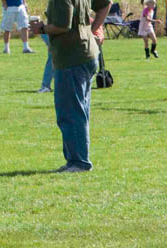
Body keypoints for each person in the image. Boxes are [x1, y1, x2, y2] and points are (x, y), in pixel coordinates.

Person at [29, 0, 109, 172]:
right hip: (87, 52)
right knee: (80, 111)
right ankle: (75, 160)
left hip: (71, 57)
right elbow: (105, 4)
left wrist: (41, 29)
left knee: (70, 112)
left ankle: (79, 162)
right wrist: (93, 29)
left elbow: (62, 26)